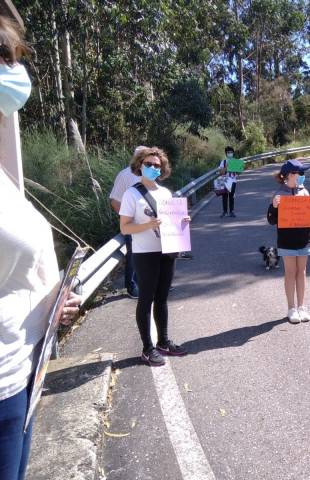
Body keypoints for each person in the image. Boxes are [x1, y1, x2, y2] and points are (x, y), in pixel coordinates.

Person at [1, 16, 81, 480]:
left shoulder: (5, 177)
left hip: (22, 372)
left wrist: (53, 304)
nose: (11, 70)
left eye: (9, 57)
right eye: (2, 56)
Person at [119, 146, 190, 366]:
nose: (153, 168)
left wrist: (183, 223)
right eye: (148, 164)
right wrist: (147, 225)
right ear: (139, 165)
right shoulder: (131, 194)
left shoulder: (166, 193)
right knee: (146, 299)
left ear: (162, 169)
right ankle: (147, 348)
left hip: (167, 251)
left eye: (157, 166)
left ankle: (163, 342)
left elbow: (172, 221)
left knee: (162, 298)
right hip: (144, 253)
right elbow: (124, 228)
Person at [267, 160, 310, 323]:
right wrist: (274, 206)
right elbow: (271, 220)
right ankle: (291, 308)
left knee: (302, 272)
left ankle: (302, 306)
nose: (302, 176)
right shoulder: (279, 194)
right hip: (287, 241)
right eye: (300, 173)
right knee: (290, 273)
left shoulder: (305, 192)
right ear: (289, 176)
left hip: (305, 239)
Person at [109, 146, 147, 299]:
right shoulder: (125, 175)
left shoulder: (149, 176)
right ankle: (132, 285)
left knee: (149, 253)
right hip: (133, 225)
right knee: (134, 254)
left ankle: (149, 283)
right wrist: (127, 218)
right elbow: (114, 201)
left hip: (150, 224)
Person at [219, 145, 239, 218]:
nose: (230, 154)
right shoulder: (223, 162)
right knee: (224, 196)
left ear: (233, 153)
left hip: (233, 180)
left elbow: (239, 173)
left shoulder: (236, 162)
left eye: (231, 152)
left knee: (231, 196)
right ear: (226, 154)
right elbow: (221, 172)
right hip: (225, 180)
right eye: (228, 152)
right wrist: (226, 166)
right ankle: (224, 211)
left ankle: (231, 211)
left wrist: (240, 168)